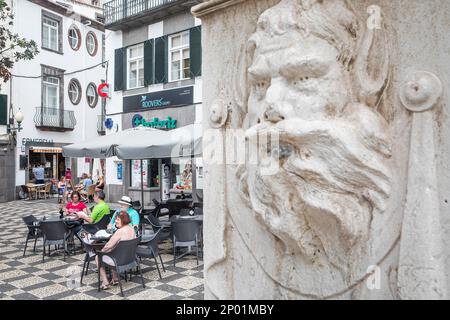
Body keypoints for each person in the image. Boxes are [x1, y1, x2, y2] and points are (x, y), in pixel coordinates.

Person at [96, 211, 136, 290]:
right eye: (116, 219)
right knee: (113, 250)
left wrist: (101, 252)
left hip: (119, 261)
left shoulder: (120, 231)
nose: (115, 221)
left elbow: (108, 246)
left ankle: (105, 281)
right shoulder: (131, 229)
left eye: (118, 219)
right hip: (130, 258)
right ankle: (115, 278)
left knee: (98, 257)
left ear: (123, 220)